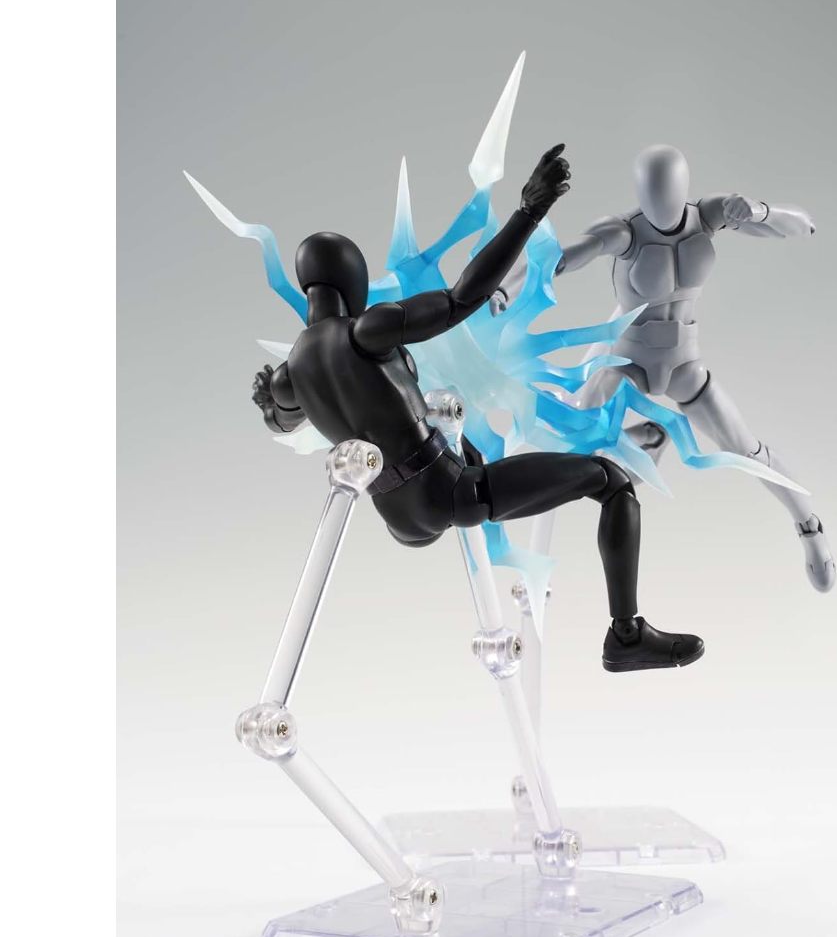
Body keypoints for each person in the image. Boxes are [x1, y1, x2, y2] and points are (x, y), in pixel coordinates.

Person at [251, 145, 704, 673]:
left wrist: (267, 401)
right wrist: (529, 211)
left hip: (397, 512)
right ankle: (625, 636)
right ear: (352, 279)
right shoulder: (365, 330)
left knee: (483, 449)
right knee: (612, 482)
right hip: (449, 492)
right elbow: (463, 297)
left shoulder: (290, 374)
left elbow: (281, 417)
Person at [492, 144, 836, 592]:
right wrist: (503, 289)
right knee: (573, 438)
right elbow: (558, 259)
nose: (662, 202)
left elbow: (803, 225)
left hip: (684, 363)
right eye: (653, 191)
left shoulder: (708, 215)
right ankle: (527, 557)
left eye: (669, 190)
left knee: (746, 450)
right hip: (626, 359)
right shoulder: (623, 232)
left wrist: (758, 211)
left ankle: (810, 527)